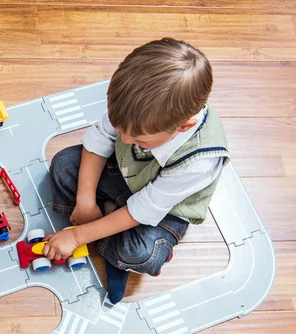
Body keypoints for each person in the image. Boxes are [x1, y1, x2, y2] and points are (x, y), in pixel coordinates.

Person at [46, 38, 229, 304]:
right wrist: (84, 199)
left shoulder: (199, 161)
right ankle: (106, 221)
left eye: (140, 139)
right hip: (124, 174)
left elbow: (144, 208)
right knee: (63, 164)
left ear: (183, 126)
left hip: (164, 209)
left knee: (142, 254)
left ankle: (108, 229)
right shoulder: (132, 105)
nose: (126, 140)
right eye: (121, 131)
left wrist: (77, 235)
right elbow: (99, 141)